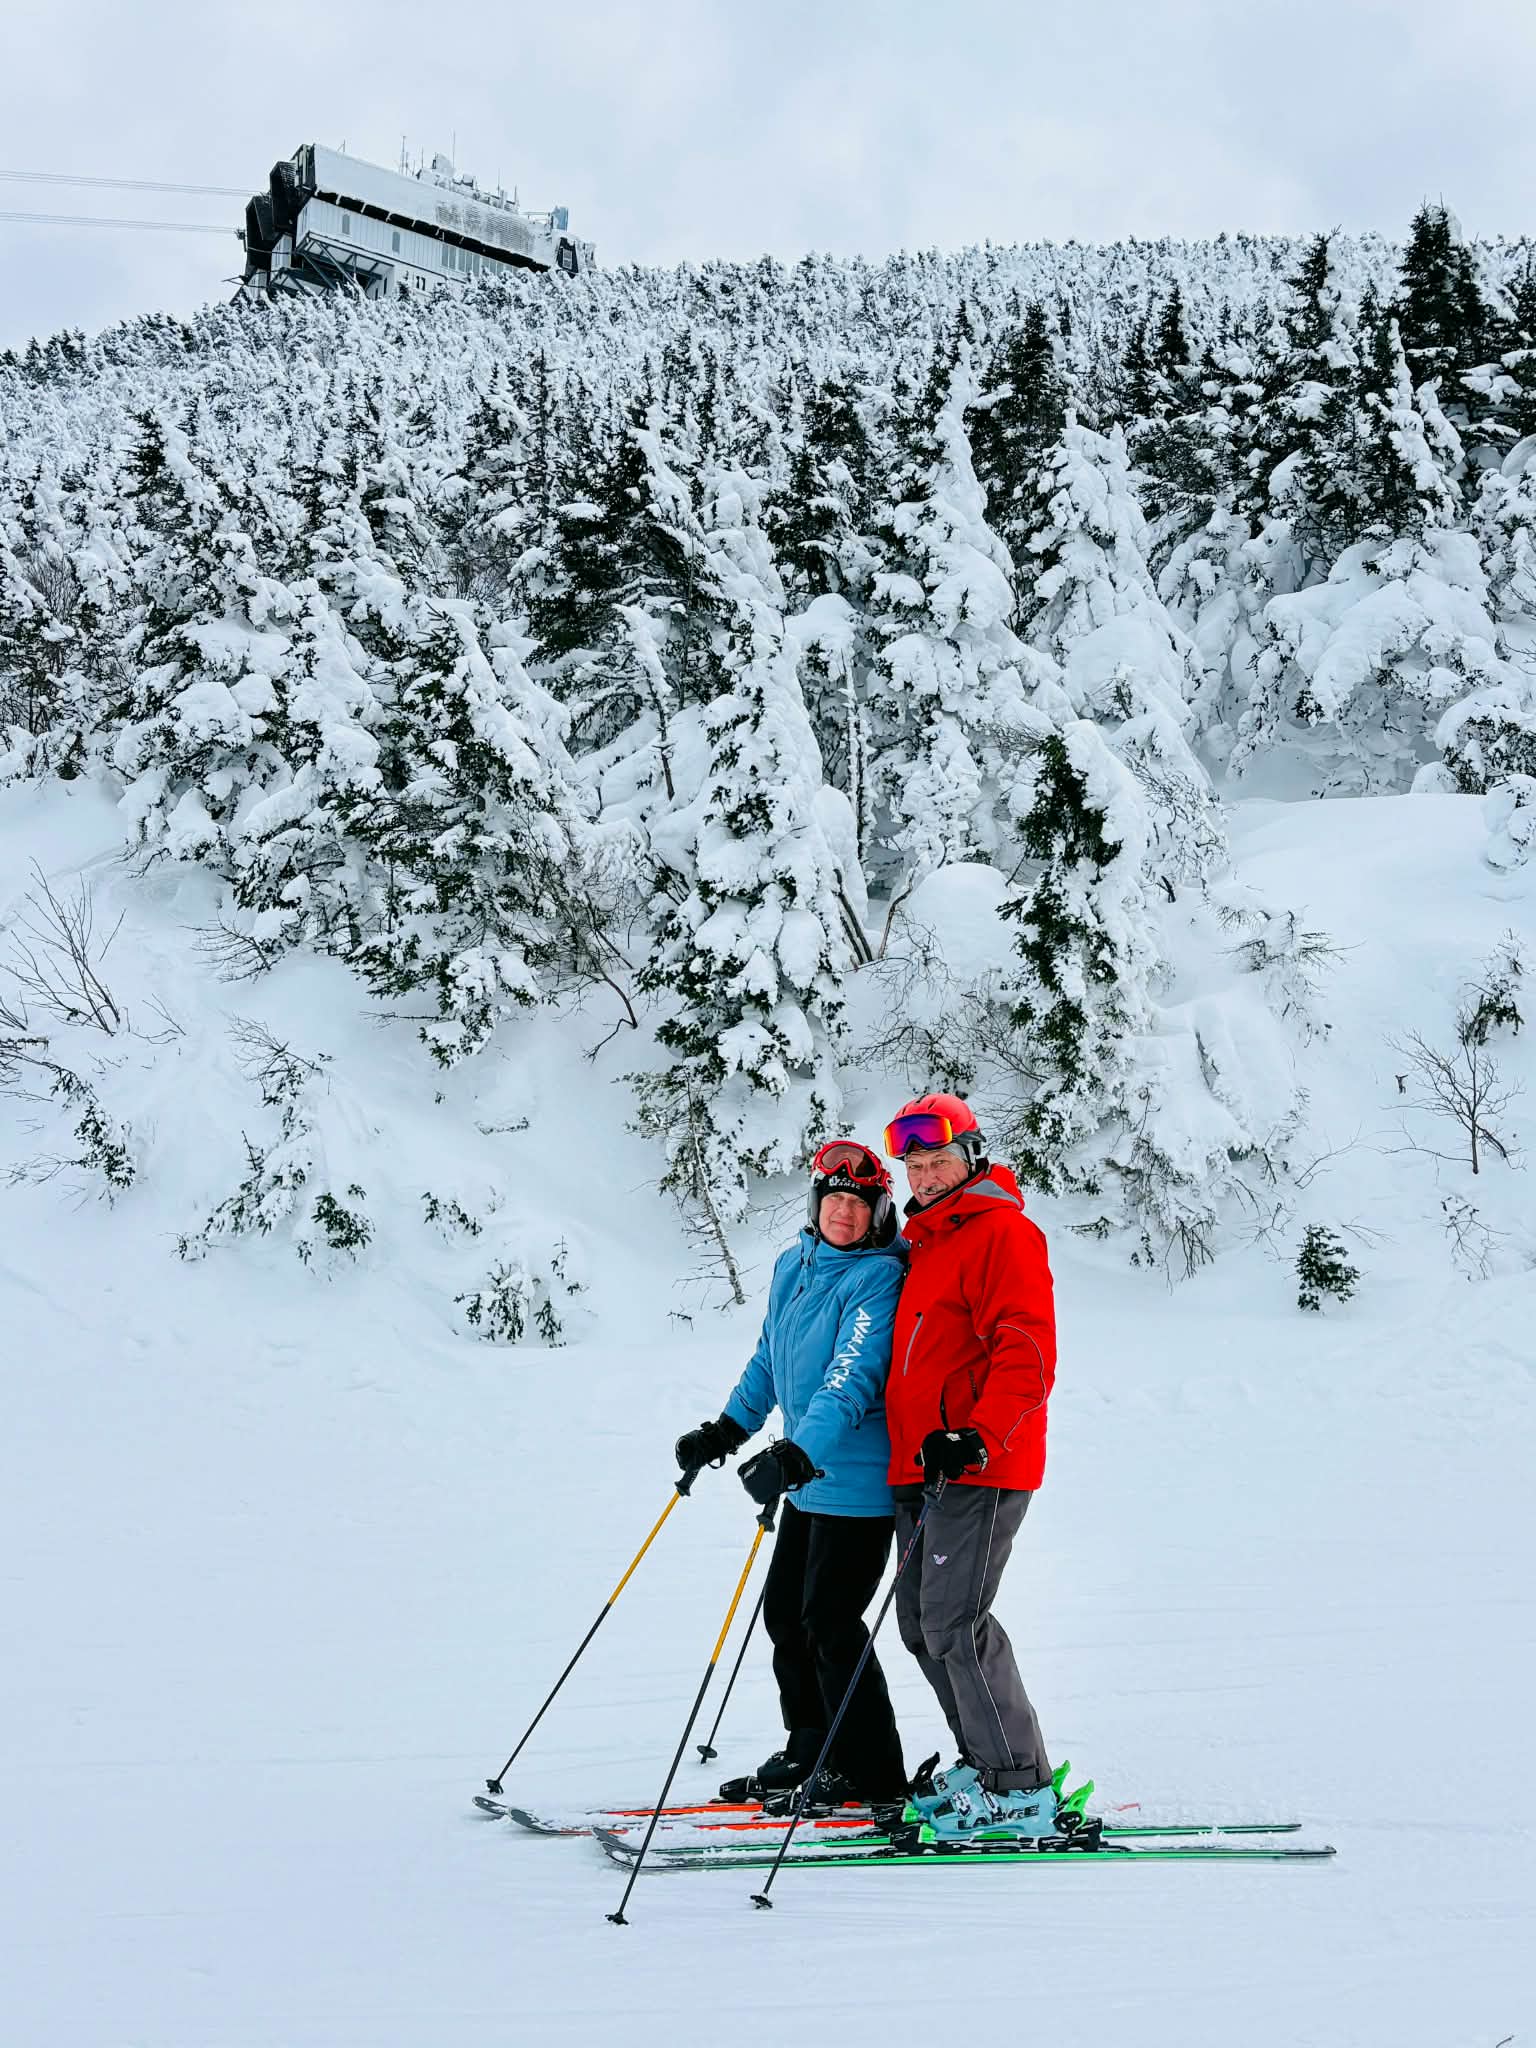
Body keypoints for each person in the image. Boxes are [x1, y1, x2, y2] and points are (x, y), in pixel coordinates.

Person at [674, 1139, 908, 1811]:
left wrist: (797, 1453)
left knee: (832, 1625)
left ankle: (870, 1773)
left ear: (878, 1213)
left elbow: (851, 1378)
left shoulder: (878, 1279)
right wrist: (727, 1430)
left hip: (855, 1484)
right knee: (786, 1616)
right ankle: (811, 1746)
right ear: (816, 1204)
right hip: (805, 1479)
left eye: (858, 1204)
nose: (844, 1213)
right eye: (834, 1199)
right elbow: (769, 1360)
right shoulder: (793, 1265)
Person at [881, 1091, 1060, 1841]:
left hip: (977, 1465)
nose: (924, 1177)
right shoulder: (926, 1243)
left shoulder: (1001, 1233)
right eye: (914, 1166)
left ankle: (1018, 1786)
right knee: (921, 1625)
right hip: (920, 1468)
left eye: (938, 1161)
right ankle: (983, 1765)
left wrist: (977, 1436)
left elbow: (1027, 1349)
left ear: (971, 1158)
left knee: (956, 1621)